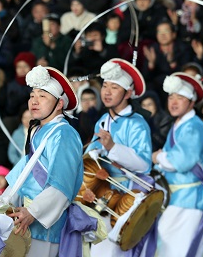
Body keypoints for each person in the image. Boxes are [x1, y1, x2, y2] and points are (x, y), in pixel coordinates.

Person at [4, 65, 86, 256]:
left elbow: (61, 185)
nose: (34, 101)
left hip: (44, 223)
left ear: (59, 104)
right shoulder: (39, 131)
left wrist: (34, 211)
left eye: (42, 96)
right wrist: (3, 201)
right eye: (32, 95)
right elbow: (24, 173)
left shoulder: (64, 133)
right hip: (27, 217)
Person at [85, 58, 154, 256]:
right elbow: (94, 155)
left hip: (127, 195)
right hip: (102, 194)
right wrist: (93, 155)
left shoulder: (137, 123)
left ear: (128, 93)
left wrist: (113, 147)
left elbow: (144, 164)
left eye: (114, 87)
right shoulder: (102, 121)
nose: (106, 91)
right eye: (105, 86)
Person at [154, 72, 203, 257]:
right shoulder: (180, 124)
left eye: (180, 98)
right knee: (167, 248)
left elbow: (180, 161)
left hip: (188, 197)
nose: (174, 102)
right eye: (171, 97)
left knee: (178, 251)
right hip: (175, 196)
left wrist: (159, 157)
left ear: (192, 102)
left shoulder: (194, 126)